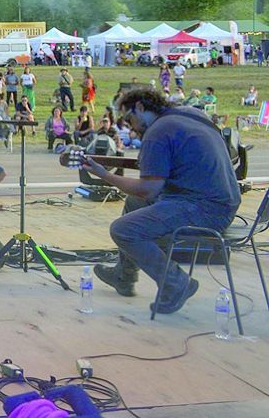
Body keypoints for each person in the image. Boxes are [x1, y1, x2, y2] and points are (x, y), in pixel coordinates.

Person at [85, 87, 241, 315]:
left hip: (204, 209)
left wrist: (106, 175)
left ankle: (175, 283)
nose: (131, 127)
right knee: (132, 204)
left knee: (123, 230)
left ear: (140, 107)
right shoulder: (189, 113)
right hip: (223, 201)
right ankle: (124, 275)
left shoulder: (157, 133)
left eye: (130, 119)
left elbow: (148, 190)